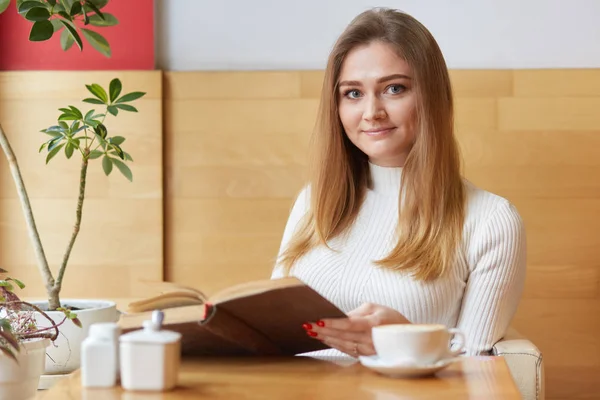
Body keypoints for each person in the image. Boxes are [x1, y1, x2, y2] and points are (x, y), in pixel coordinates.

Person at [270, 7, 526, 360]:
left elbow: (475, 374)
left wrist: (405, 341)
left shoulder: (491, 220)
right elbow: (273, 336)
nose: (371, 111)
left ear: (431, 96)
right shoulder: (312, 202)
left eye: (394, 88)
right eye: (353, 93)